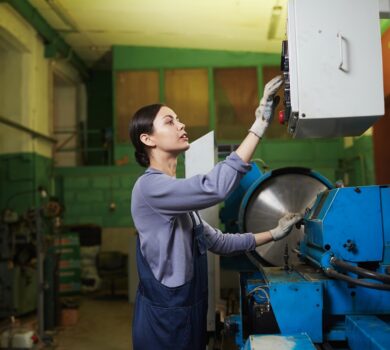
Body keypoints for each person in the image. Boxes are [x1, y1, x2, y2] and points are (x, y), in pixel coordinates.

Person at [129, 75, 302, 350]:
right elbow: (215, 187)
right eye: (169, 121)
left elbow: (219, 242)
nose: (181, 124)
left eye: (179, 119)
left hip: (189, 315)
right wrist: (258, 126)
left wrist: (275, 232)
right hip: (165, 325)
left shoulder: (180, 202)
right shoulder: (149, 188)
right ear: (147, 138)